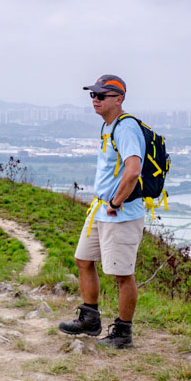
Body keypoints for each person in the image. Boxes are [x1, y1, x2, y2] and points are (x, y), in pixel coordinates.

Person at [59, 75, 145, 349]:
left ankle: (123, 333)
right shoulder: (109, 127)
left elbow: (133, 171)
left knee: (122, 274)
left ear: (119, 99)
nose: (95, 99)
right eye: (92, 95)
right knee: (83, 259)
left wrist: (116, 202)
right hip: (101, 210)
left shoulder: (126, 128)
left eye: (101, 95)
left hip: (120, 213)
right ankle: (90, 319)